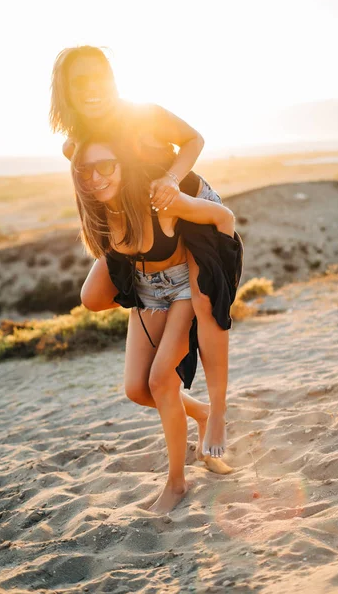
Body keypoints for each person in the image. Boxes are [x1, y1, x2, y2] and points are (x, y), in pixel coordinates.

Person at [50, 45, 241, 459]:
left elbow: (194, 139)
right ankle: (161, 298)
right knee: (94, 296)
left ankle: (219, 413)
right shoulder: (78, 142)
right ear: (66, 91)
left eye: (97, 76)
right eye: (78, 81)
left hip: (188, 207)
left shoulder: (142, 115)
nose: (91, 88)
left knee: (207, 304)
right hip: (144, 221)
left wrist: (171, 179)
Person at [70, 136, 239, 514]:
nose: (96, 177)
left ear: (123, 165)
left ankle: (177, 483)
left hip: (183, 288)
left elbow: (222, 217)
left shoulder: (156, 199)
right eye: (86, 170)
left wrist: (215, 280)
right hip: (146, 291)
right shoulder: (97, 214)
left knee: (161, 381)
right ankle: (201, 414)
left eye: (106, 166)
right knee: (137, 389)